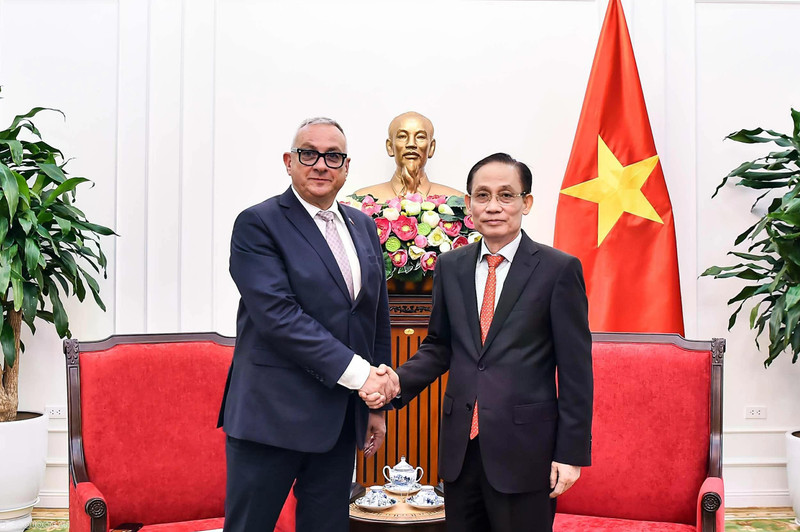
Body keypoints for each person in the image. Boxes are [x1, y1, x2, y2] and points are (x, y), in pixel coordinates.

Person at [365, 153, 593, 532]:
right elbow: (439, 346)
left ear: (526, 202)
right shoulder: (451, 267)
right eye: (482, 195)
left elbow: (575, 370)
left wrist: (570, 454)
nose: (493, 206)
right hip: (460, 448)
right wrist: (394, 383)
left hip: (526, 450)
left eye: (506, 195)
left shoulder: (558, 270)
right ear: (468, 204)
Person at [219, 117, 400, 532]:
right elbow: (279, 317)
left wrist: (378, 404)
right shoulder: (258, 224)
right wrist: (362, 378)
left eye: (333, 156)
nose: (321, 164)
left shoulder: (364, 225)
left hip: (337, 419)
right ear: (289, 161)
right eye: (309, 153)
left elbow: (374, 316)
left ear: (346, 166)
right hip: (271, 416)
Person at [353, 111, 462, 202]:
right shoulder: (362, 201)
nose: (411, 144)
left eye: (420, 137)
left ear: (431, 147)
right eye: (402, 136)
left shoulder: (456, 201)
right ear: (390, 147)